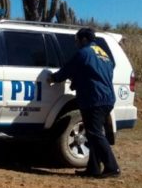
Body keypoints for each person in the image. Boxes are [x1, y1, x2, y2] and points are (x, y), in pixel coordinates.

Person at [47, 28, 121, 179]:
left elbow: (67, 70)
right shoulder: (103, 54)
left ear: (84, 39)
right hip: (106, 98)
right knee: (93, 134)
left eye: (77, 40)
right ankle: (93, 168)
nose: (76, 44)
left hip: (94, 99)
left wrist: (53, 78)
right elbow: (99, 72)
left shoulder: (84, 53)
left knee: (95, 134)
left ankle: (112, 167)